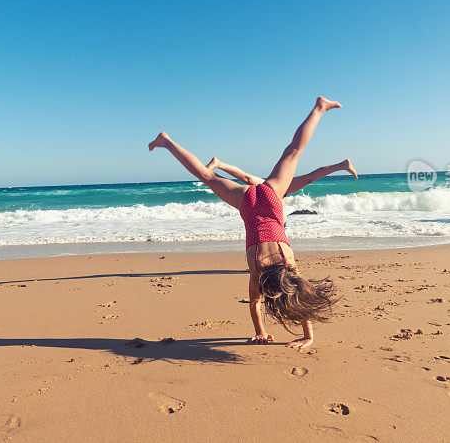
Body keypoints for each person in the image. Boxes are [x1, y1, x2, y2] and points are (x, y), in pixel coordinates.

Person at [148, 96, 342, 350]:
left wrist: (303, 336)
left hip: (270, 197)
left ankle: (319, 107)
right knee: (207, 176)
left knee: (293, 151)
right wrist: (265, 332)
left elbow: (297, 295)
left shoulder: (287, 263)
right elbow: (256, 303)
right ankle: (166, 141)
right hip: (249, 205)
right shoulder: (257, 269)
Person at [206, 157, 357, 196]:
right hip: (277, 191)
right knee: (247, 179)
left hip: (277, 192)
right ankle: (218, 164)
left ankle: (218, 164)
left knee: (247, 179)